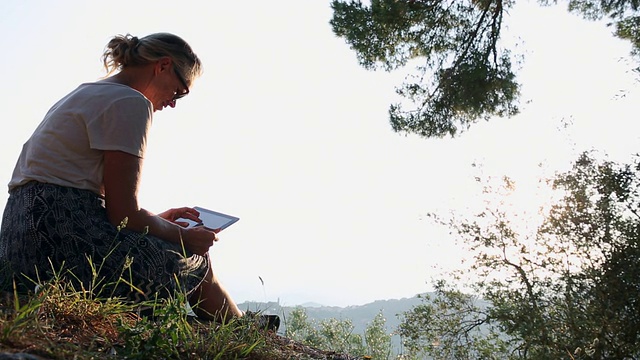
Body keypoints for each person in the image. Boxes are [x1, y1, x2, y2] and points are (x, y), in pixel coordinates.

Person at [0, 32, 278, 330]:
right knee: (194, 258)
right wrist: (184, 236)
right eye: (180, 91)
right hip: (63, 247)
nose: (173, 103)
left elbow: (95, 205)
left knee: (173, 247)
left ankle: (227, 324)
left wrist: (160, 223)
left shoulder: (85, 92)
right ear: (163, 66)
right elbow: (124, 213)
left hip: (21, 244)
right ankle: (237, 328)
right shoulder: (130, 101)